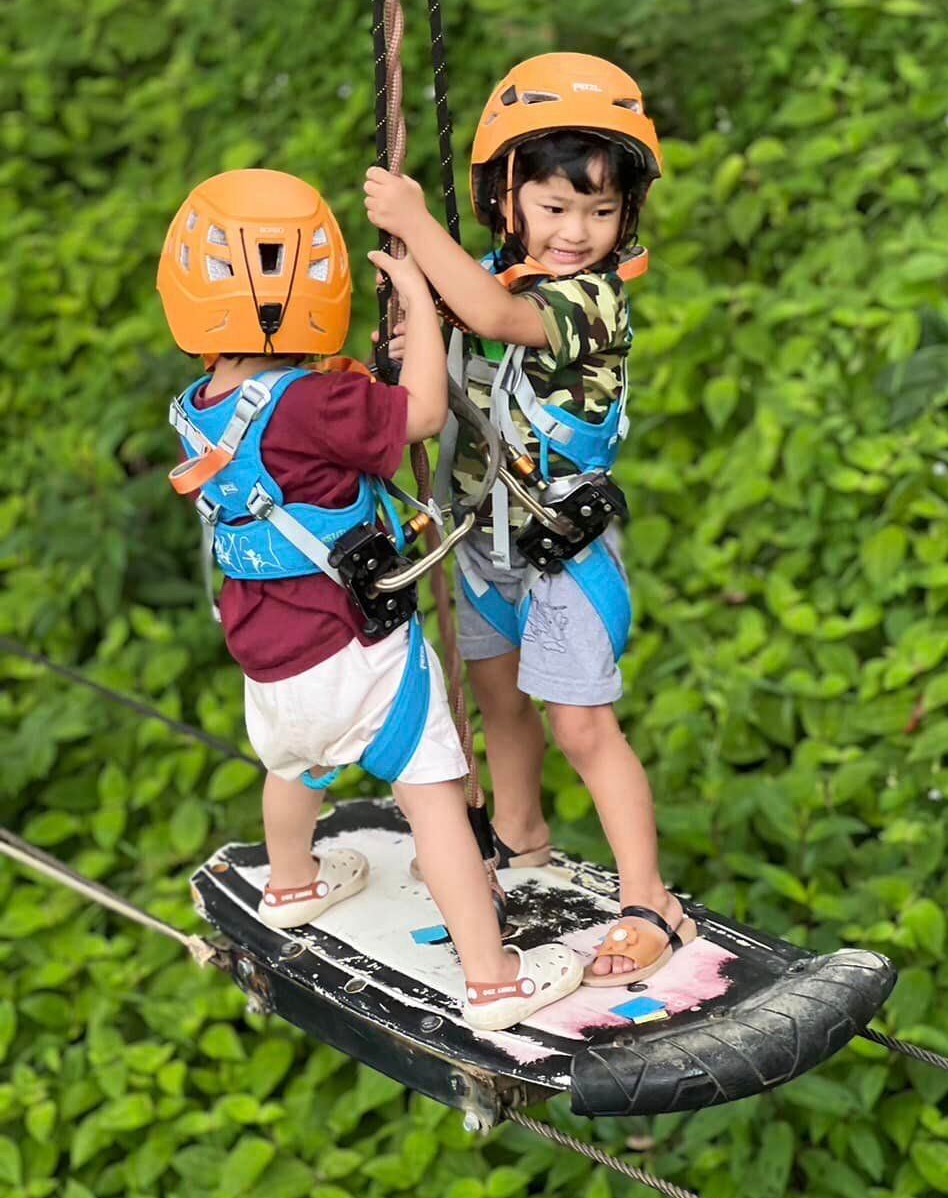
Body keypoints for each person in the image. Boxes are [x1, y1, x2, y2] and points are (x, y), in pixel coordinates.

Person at [157, 167, 582, 1029]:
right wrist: (421, 304)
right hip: (360, 653)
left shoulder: (198, 407)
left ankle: (290, 883)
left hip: (269, 662)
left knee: (293, 769)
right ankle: (493, 976)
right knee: (435, 801)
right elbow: (420, 413)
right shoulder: (323, 400)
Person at [364, 55, 697, 986]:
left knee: (583, 728)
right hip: (484, 540)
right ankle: (519, 840)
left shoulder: (589, 302)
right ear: (507, 199)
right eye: (553, 207)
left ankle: (649, 901)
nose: (575, 232)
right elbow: (451, 330)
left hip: (563, 550)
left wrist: (413, 224)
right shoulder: (483, 272)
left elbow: (488, 314)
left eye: (599, 212)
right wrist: (411, 331)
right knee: (501, 706)